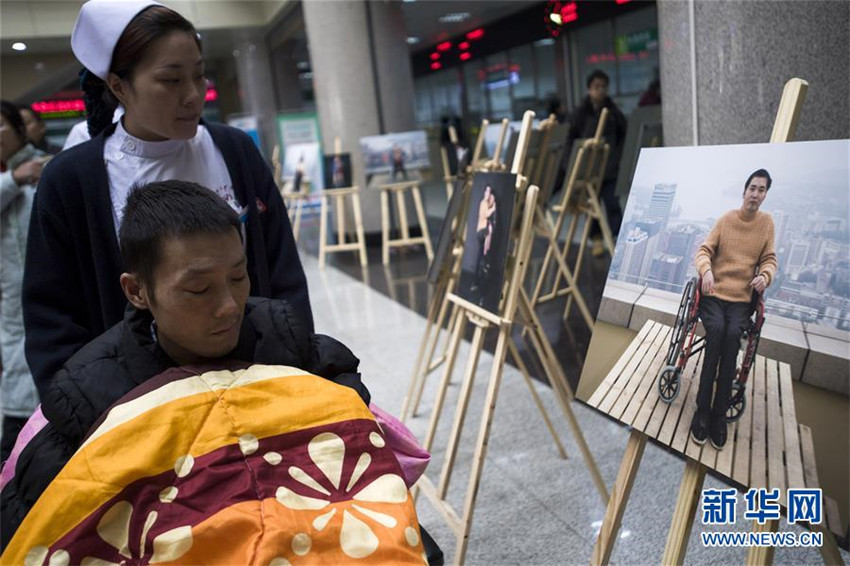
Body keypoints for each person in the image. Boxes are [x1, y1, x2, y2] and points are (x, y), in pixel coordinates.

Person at [1, 180, 369, 547]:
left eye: (238, 276)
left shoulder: (285, 343)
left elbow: (371, 475)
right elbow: (31, 531)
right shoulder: (91, 395)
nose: (229, 305)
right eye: (199, 289)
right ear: (136, 291)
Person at [23, 0, 311, 400]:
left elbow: (283, 274)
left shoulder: (235, 151)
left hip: (254, 380)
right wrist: (92, 414)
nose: (194, 95)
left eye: (199, 75)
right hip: (134, 400)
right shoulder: (73, 179)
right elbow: (52, 318)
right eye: (171, 80)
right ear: (118, 86)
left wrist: (294, 368)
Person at [691, 169, 777, 450]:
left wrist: (765, 276)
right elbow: (704, 251)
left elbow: (769, 259)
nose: (755, 193)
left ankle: (719, 416)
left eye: (761, 190)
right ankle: (702, 410)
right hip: (715, 293)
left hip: (741, 299)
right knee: (716, 332)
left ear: (765, 195)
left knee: (732, 339)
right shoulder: (726, 220)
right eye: (752, 188)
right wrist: (706, 271)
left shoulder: (766, 225)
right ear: (744, 191)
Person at [0, 102, 48, 461]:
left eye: (1, 126)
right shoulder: (10, 178)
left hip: (51, 294)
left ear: (19, 128)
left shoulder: (50, 167)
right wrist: (15, 179)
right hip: (10, 301)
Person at [564, 69, 627, 257]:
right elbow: (571, 138)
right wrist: (571, 164)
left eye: (603, 87)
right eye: (596, 87)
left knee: (612, 202)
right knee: (591, 205)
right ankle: (597, 239)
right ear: (589, 89)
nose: (600, 91)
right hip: (589, 168)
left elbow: (623, 135)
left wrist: (618, 157)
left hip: (609, 168)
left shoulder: (614, 112)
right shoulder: (580, 113)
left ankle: (618, 238)